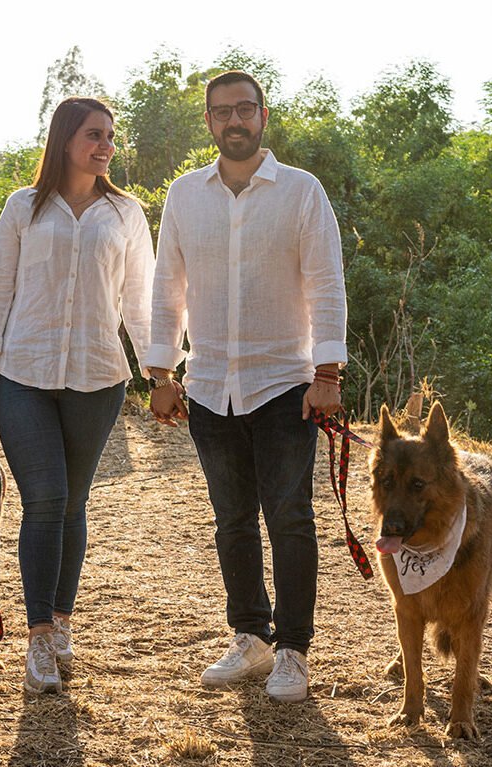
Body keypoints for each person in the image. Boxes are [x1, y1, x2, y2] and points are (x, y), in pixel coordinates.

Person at [145, 70, 347, 703]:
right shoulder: (185, 195)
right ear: (208, 122)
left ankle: (292, 650)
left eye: (244, 110)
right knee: (231, 520)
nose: (234, 121)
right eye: (221, 112)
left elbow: (326, 284)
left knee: (289, 517)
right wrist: (162, 372)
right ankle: (251, 638)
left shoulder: (301, 192)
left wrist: (327, 374)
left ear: (264, 115)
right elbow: (166, 288)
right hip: (207, 386)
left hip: (285, 384)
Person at [0, 97, 154, 694]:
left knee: (73, 503)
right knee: (45, 498)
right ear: (65, 139)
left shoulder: (126, 213)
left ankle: (64, 620)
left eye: (110, 137)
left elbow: (140, 301)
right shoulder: (23, 207)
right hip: (23, 374)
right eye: (94, 135)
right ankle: (39, 635)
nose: (105, 146)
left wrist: (162, 374)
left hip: (98, 378)